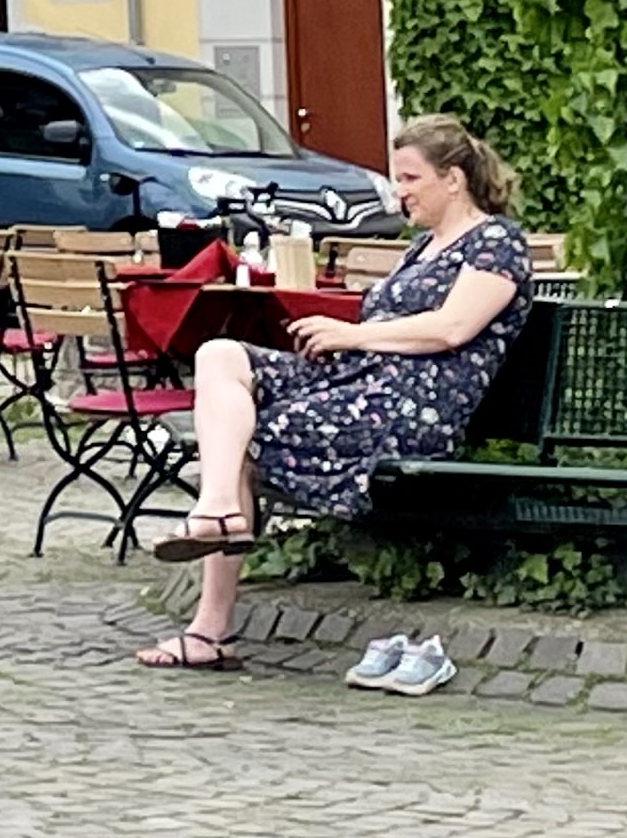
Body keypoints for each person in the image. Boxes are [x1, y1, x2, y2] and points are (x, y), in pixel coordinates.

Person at [137, 115, 533, 674]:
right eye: (398, 178)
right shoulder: (422, 247)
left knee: (238, 437)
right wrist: (345, 340)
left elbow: (453, 328)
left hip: (412, 404)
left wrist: (352, 335)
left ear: (453, 180)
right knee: (219, 355)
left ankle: (209, 628)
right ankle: (219, 509)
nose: (400, 192)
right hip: (361, 381)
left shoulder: (496, 242)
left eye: (410, 178)